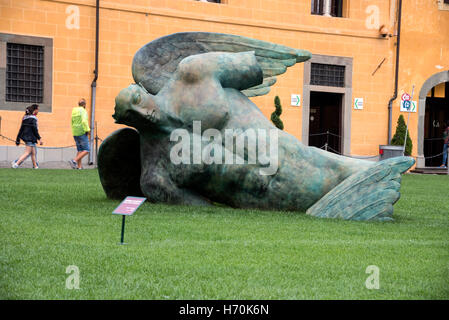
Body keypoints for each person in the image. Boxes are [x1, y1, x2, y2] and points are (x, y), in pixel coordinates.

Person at [12, 104, 43, 169]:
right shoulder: (33, 119)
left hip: (28, 138)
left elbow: (21, 129)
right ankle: (16, 164)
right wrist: (39, 138)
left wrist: (18, 138)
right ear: (35, 110)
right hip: (30, 138)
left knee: (33, 153)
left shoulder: (25, 118)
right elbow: (35, 129)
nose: (38, 111)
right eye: (38, 109)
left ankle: (35, 166)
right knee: (27, 153)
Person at [69, 98, 90, 169]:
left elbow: (72, 121)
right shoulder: (83, 111)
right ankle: (74, 161)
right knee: (87, 150)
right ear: (84, 105)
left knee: (80, 150)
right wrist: (87, 130)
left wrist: (74, 131)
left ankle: (79, 166)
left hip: (75, 132)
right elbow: (84, 121)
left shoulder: (74, 111)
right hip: (82, 132)